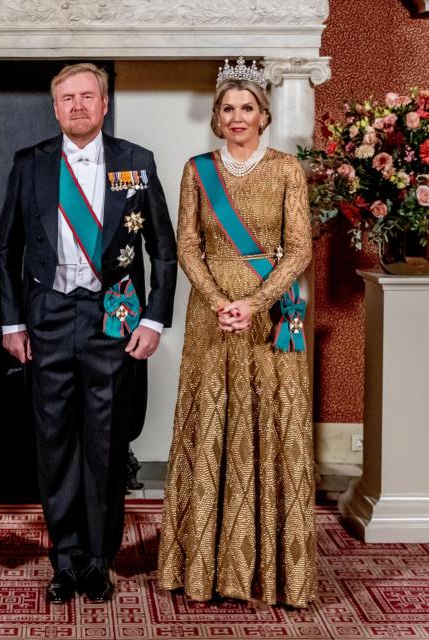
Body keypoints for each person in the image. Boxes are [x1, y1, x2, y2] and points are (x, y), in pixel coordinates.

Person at [0, 63, 178, 604]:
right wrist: (11, 321)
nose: (77, 106)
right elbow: (6, 250)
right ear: (55, 109)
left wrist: (153, 318)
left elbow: (163, 250)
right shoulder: (30, 164)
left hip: (112, 321)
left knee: (104, 440)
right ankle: (66, 557)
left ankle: (100, 559)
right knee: (53, 441)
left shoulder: (135, 162)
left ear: (103, 105)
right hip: (48, 318)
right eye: (66, 98)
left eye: (87, 96)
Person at [157, 58, 316, 607]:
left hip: (271, 315)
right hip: (212, 313)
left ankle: (270, 571)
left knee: (270, 424)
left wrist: (254, 302)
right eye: (228, 108)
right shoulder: (196, 169)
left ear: (264, 115)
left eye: (247, 107)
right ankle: (203, 566)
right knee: (213, 422)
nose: (237, 117)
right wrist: (221, 301)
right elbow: (185, 247)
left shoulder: (287, 171)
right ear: (216, 117)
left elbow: (299, 248)